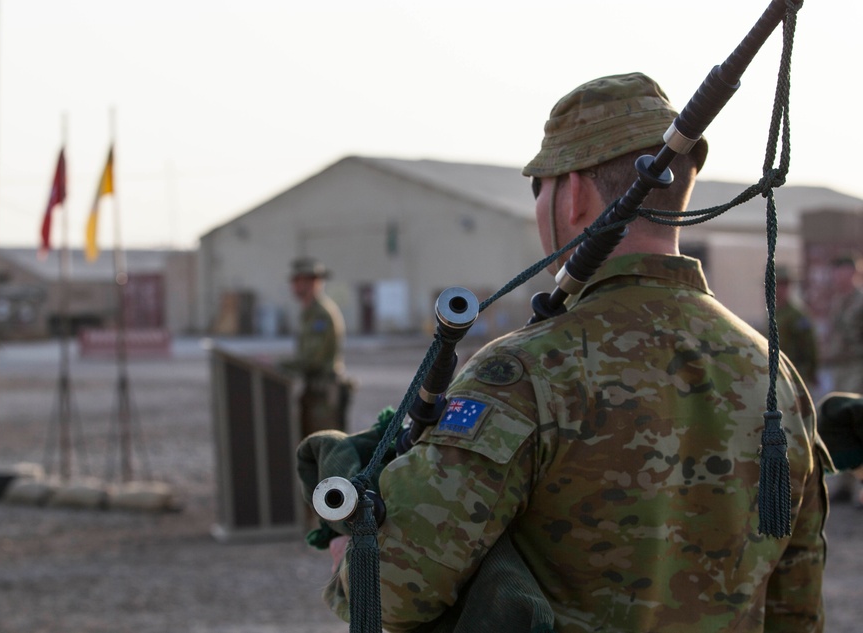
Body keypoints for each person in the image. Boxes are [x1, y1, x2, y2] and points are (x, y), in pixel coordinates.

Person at [321, 73, 829, 632]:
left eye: (539, 187)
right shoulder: (773, 372)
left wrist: (357, 542)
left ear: (575, 193)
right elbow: (796, 607)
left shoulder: (524, 371)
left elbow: (391, 593)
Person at [281, 257, 349, 438]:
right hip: (314, 392)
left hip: (324, 395)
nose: (294, 286)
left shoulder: (321, 314)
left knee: (325, 448)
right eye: (294, 281)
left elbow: (312, 359)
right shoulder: (308, 312)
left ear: (313, 283)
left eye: (299, 281)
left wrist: (277, 364)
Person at [822, 254, 863, 503]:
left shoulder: (860, 302)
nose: (837, 277)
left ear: (852, 273)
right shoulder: (840, 302)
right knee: (842, 425)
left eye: (842, 272)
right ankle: (844, 484)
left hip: (858, 367)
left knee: (857, 424)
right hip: (840, 368)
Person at [774, 265, 819, 389]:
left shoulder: (797, 315)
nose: (778, 289)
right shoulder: (774, 313)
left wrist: (811, 373)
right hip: (776, 373)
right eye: (775, 285)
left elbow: (809, 346)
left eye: (782, 285)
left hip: (795, 373)